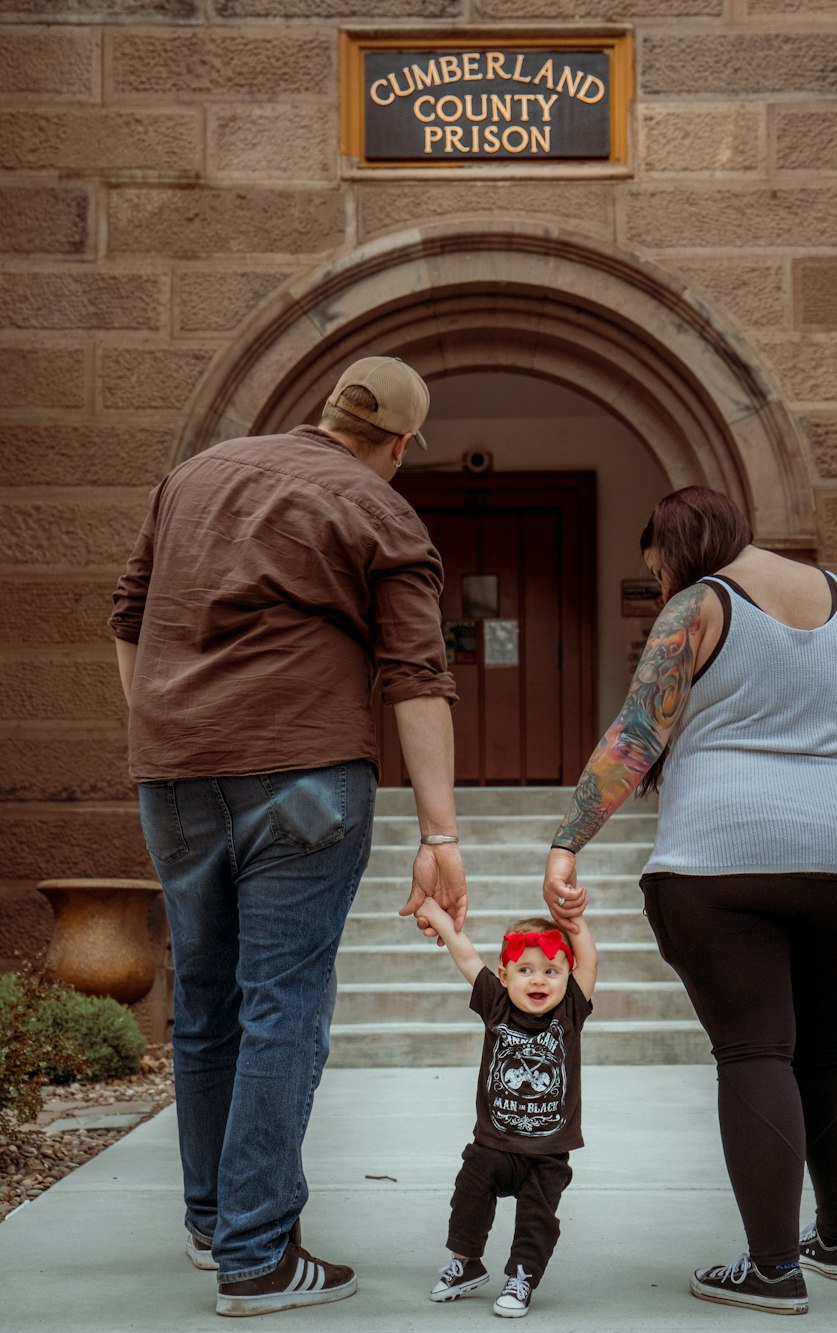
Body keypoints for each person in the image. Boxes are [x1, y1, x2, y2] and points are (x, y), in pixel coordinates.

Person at [109, 355, 469, 1318]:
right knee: (283, 1003)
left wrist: (162, 728)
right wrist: (441, 831)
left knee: (206, 999)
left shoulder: (195, 476)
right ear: (399, 443)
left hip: (176, 773)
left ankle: (213, 1219)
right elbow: (416, 674)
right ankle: (258, 1256)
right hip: (305, 772)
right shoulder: (381, 507)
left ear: (324, 413)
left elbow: (129, 616)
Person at [542, 485, 837, 1318]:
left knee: (756, 1050)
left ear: (679, 546)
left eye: (658, 566)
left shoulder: (697, 605)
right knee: (830, 1049)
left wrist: (568, 839)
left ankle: (773, 1267)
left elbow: (637, 734)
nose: (660, 580)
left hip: (723, 864)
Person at [413, 898, 597, 1319]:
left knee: (537, 1220)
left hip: (548, 1150)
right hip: (493, 1142)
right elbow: (465, 953)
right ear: (504, 975)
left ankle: (522, 1277)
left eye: (551, 971)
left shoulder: (570, 1010)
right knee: (468, 1196)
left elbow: (588, 958)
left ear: (568, 977)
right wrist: (436, 913)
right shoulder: (495, 1003)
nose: (539, 980)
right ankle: (466, 1263)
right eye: (526, 970)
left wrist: (573, 919)